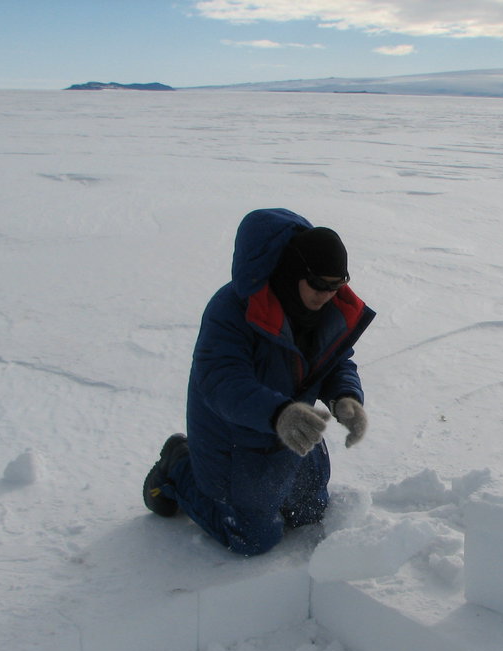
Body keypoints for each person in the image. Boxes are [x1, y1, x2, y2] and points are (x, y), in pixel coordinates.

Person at [142, 208, 375, 556]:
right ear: (294, 271)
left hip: (290, 431)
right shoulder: (232, 309)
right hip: (233, 437)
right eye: (319, 284)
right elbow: (221, 381)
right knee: (253, 537)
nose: (327, 295)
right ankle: (178, 466)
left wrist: (345, 397)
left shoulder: (325, 307)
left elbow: (336, 360)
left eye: (336, 285)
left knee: (310, 513)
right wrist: (279, 413)